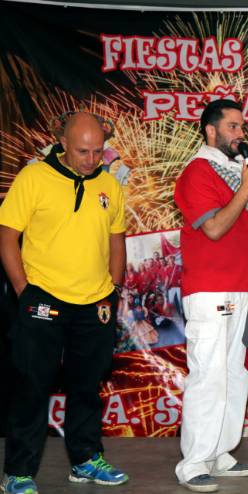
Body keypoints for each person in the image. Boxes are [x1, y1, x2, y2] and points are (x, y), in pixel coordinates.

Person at [0, 112, 129, 494]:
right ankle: (18, 473)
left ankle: (85, 460)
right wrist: (24, 291)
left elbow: (117, 240)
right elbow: (7, 237)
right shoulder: (34, 178)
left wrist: (113, 289)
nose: (91, 159)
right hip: (43, 298)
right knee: (32, 386)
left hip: (95, 303)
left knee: (87, 386)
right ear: (62, 143)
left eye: (98, 151)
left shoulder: (109, 184)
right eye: (83, 151)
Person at [173, 99, 248, 492]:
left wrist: (244, 186)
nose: (241, 133)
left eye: (242, 126)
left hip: (241, 286)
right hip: (211, 289)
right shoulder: (198, 171)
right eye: (232, 126)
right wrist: (246, 189)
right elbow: (212, 228)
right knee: (209, 375)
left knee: (235, 374)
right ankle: (194, 461)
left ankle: (219, 452)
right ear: (211, 131)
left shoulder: (232, 170)